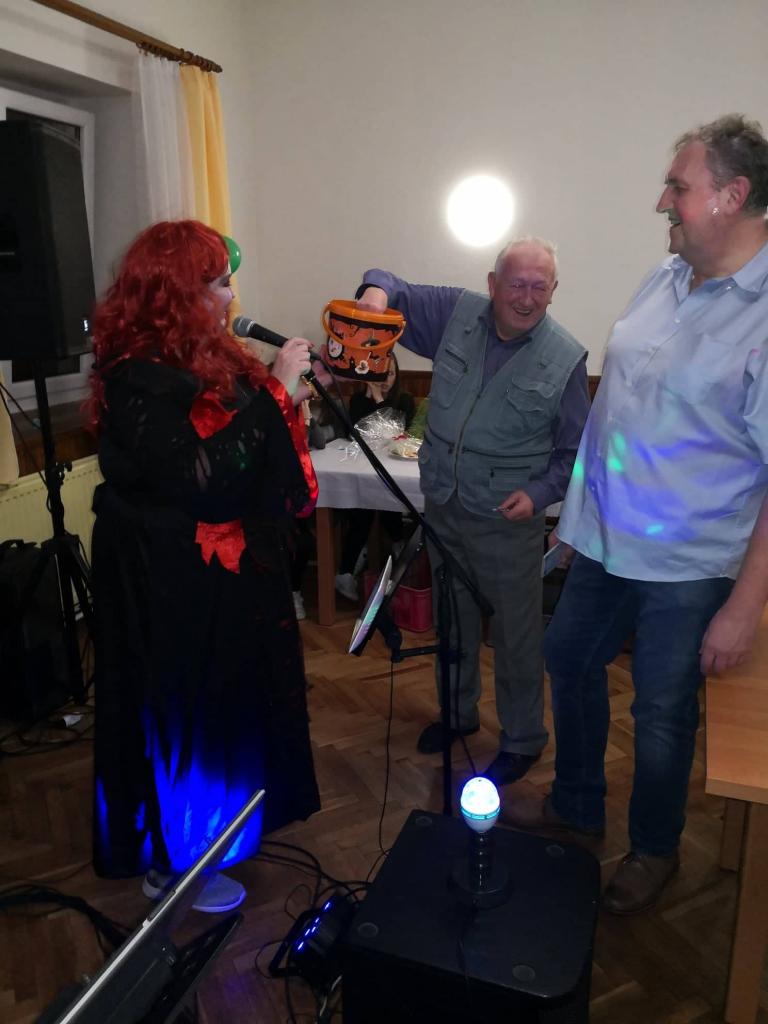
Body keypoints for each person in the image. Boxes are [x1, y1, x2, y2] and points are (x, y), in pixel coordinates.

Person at [506, 114, 768, 914]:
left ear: (732, 196)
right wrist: (574, 520)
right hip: (605, 540)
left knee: (659, 712)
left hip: (690, 564)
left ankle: (655, 849)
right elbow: (618, 406)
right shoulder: (666, 277)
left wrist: (743, 609)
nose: (663, 202)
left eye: (677, 187)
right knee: (568, 656)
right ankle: (579, 804)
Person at [86, 220, 321, 912]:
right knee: (183, 714)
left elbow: (247, 455)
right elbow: (202, 477)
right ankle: (176, 864)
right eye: (217, 283)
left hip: (222, 575)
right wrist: (276, 396)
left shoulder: (211, 359)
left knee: (227, 708)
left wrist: (286, 402)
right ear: (176, 294)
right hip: (166, 581)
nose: (229, 296)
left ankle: (219, 838)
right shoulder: (135, 378)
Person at [355, 238, 590, 783]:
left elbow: (576, 451)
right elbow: (388, 279)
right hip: (443, 506)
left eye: (539, 287)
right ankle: (456, 716)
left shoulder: (565, 358)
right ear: (492, 284)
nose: (526, 298)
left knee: (515, 636)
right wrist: (372, 300)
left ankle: (523, 738)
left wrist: (540, 493)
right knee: (451, 621)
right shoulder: (455, 313)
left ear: (554, 290)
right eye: (516, 284)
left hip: (508, 520)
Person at [334, 354, 416, 602]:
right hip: (364, 466)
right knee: (363, 509)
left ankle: (399, 550)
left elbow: (396, 435)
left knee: (389, 501)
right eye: (381, 375)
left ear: (397, 375)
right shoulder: (359, 400)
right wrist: (372, 397)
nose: (385, 380)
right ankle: (346, 572)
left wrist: (380, 399)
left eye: (390, 374)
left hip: (397, 468)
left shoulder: (404, 400)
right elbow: (354, 434)